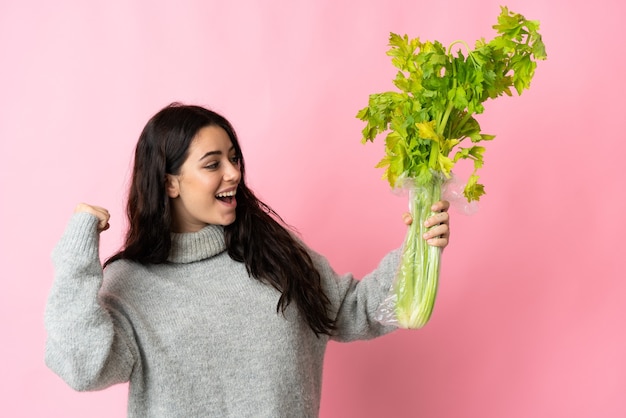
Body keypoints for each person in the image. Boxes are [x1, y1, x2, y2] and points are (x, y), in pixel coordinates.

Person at [44, 102, 450, 417]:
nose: (234, 173)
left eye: (234, 158)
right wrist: (77, 252)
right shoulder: (132, 283)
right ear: (170, 182)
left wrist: (418, 248)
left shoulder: (272, 252)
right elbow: (81, 366)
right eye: (212, 164)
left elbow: (352, 311)